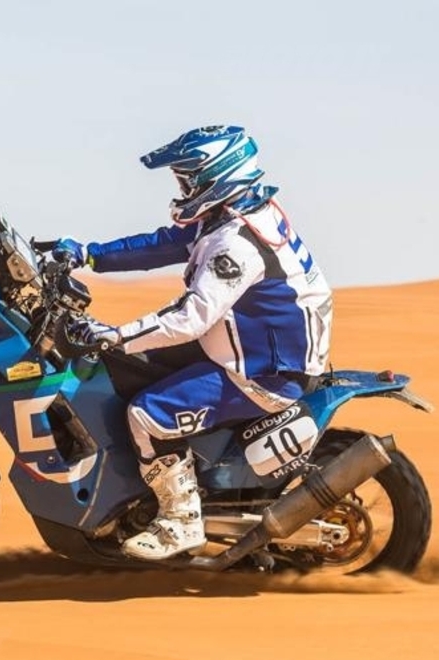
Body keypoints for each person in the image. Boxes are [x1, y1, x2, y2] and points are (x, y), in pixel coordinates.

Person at [54, 125, 334, 561]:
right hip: (245, 345)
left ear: (215, 177)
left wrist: (115, 334)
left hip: (263, 373)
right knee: (120, 369)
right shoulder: (234, 216)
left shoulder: (236, 246)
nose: (183, 190)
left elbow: (189, 318)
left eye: (187, 180)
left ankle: (181, 520)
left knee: (148, 414)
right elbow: (163, 245)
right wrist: (89, 253)